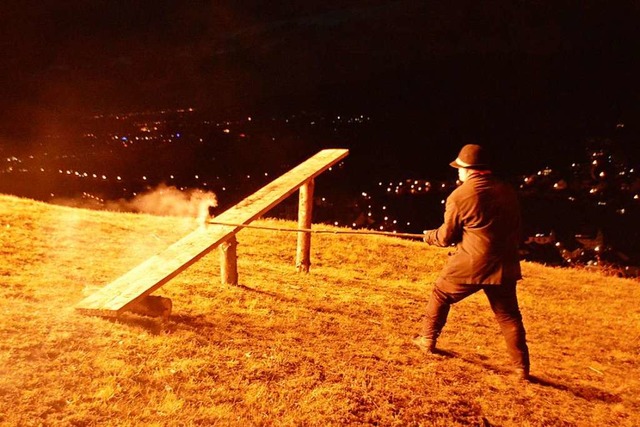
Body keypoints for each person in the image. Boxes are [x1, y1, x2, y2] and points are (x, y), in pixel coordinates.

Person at [413, 143, 531, 380]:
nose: (457, 171)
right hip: (505, 263)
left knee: (441, 294)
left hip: (474, 262)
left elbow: (446, 236)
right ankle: (521, 369)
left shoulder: (461, 195)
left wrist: (430, 236)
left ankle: (427, 339)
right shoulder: (507, 190)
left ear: (469, 170)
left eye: (459, 168)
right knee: (509, 316)